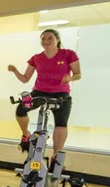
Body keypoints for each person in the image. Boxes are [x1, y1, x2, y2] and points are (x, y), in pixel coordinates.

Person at [8, 28, 80, 162]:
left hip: (61, 93)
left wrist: (69, 79)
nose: (46, 41)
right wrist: (15, 70)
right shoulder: (37, 58)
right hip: (39, 92)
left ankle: (55, 155)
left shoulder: (68, 54)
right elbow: (25, 78)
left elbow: (78, 74)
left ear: (57, 40)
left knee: (61, 123)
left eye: (50, 38)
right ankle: (26, 135)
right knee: (21, 109)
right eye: (43, 38)